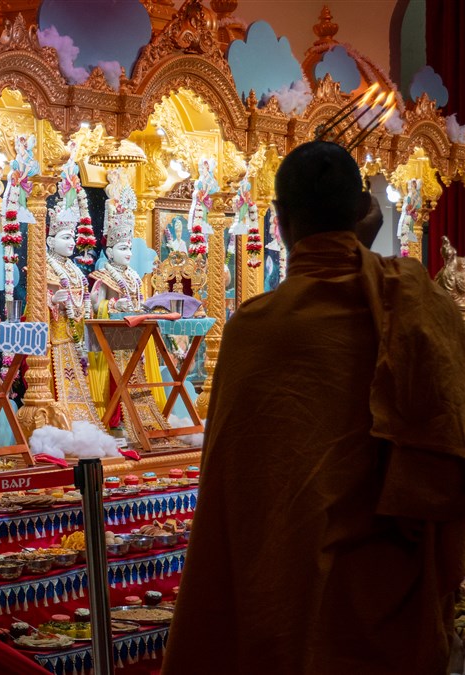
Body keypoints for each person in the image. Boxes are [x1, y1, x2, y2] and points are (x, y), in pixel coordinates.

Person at [164, 141, 465, 675]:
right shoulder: (421, 309)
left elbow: (232, 504)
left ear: (279, 222)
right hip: (388, 603)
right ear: (363, 211)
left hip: (279, 602)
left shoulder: (253, 331)